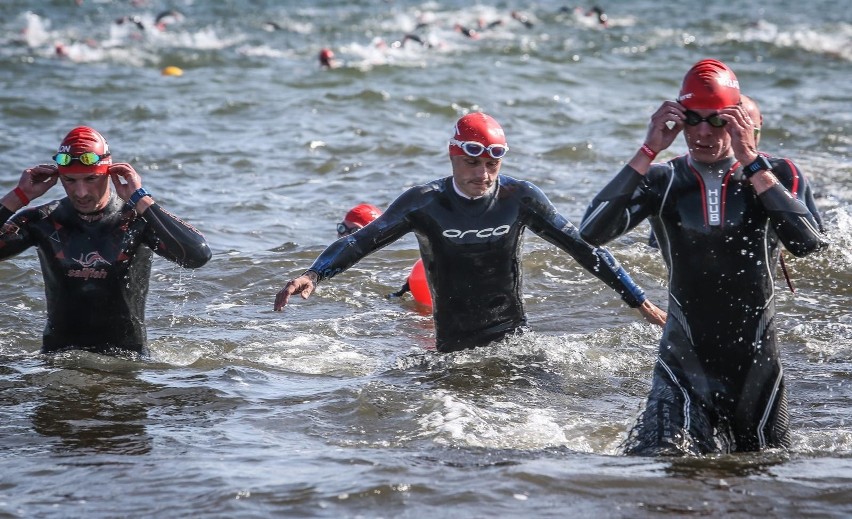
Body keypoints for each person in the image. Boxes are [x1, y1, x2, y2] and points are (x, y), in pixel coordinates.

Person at [579, 59, 827, 455]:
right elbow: (591, 231)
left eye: (717, 121)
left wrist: (752, 162)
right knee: (655, 466)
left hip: (756, 368)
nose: (702, 132)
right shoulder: (664, 179)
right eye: (692, 119)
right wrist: (648, 148)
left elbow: (808, 243)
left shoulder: (779, 173)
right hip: (683, 361)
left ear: (739, 120)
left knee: (763, 475)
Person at [275, 113, 666, 352]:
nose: (482, 175)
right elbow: (363, 240)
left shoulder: (520, 198)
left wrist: (640, 302)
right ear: (452, 155)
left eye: (491, 165)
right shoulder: (424, 202)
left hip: (513, 337)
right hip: (452, 343)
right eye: (471, 163)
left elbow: (583, 248)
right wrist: (314, 273)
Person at [0, 126, 211, 356]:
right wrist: (18, 197)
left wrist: (141, 199)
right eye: (70, 180)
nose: (81, 192)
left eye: (91, 179)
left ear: (109, 174)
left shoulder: (137, 221)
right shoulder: (41, 221)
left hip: (125, 360)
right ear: (59, 177)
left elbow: (197, 256)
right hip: (57, 358)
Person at [646, 93, 824, 248]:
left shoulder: (782, 171)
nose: (741, 138)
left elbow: (815, 243)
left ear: (759, 123)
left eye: (746, 130)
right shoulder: (677, 177)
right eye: (732, 128)